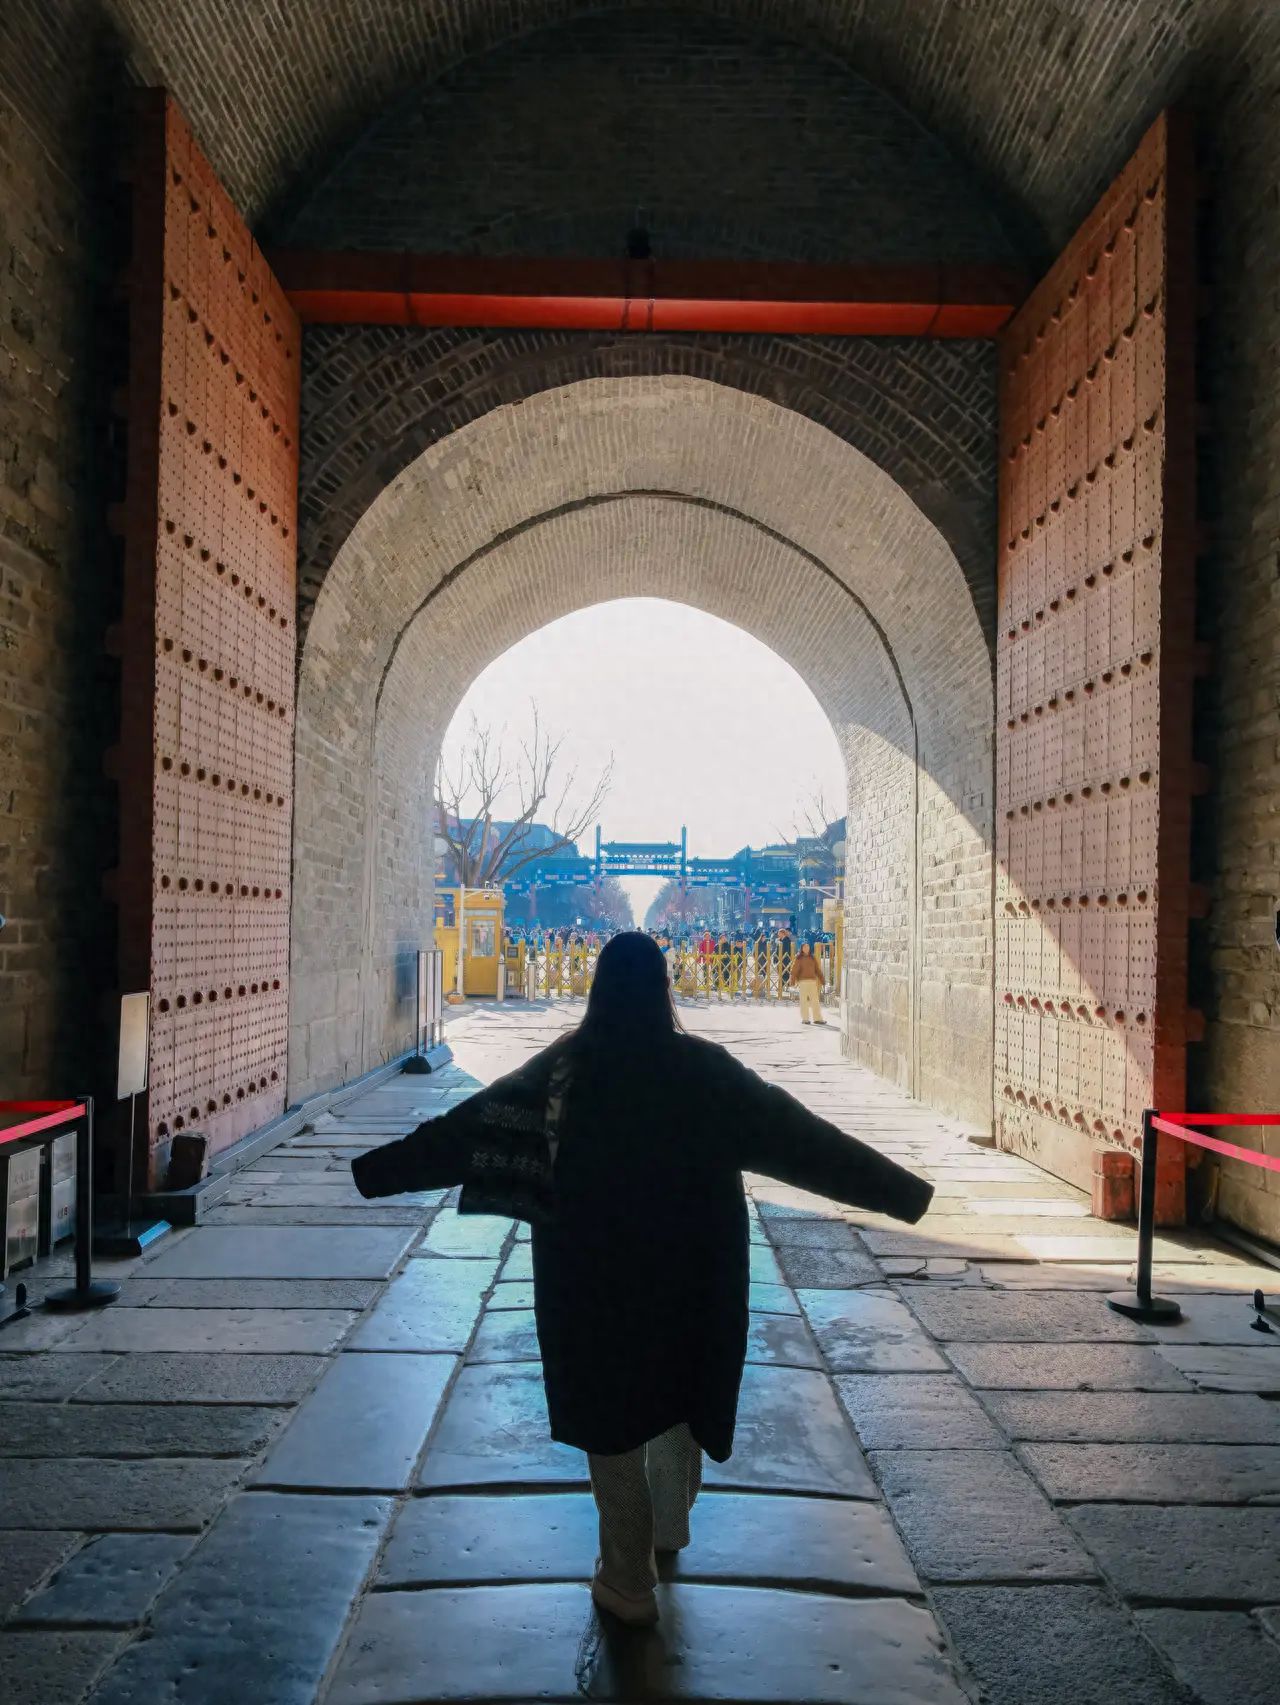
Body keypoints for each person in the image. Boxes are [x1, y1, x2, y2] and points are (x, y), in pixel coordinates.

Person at [350, 932, 932, 1627]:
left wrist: (375, 1171)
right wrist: (901, 1192)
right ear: (662, 990)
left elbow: (462, 1132)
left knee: (612, 1410)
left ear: (599, 990)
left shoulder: (562, 1071)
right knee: (682, 1388)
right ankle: (670, 1527)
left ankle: (626, 1579)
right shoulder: (707, 1071)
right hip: (694, 1275)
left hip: (590, 1278)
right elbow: (802, 1139)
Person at [791, 940, 825, 1025]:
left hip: (812, 981)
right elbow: (794, 970)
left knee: (815, 1000)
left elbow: (817, 970)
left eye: (808, 947)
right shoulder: (799, 958)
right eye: (805, 947)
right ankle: (805, 1019)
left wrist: (822, 979)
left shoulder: (812, 958)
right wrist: (792, 981)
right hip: (802, 982)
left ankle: (817, 1018)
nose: (807, 948)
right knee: (803, 1001)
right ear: (802, 948)